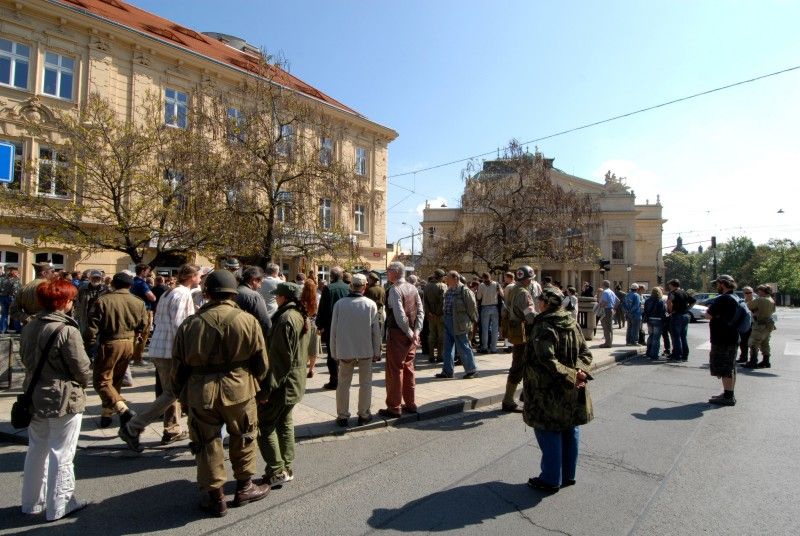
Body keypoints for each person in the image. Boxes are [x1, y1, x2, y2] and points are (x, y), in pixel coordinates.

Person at [171, 270, 271, 517]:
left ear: (206, 294)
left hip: (200, 391)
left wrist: (181, 395)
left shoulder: (189, 325)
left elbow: (179, 366)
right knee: (244, 435)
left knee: (206, 442)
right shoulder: (247, 321)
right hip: (240, 388)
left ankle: (216, 497)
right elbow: (261, 362)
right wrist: (263, 390)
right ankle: (245, 487)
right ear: (233, 294)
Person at [19, 279, 92, 520]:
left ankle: (31, 502)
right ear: (64, 302)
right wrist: (82, 382)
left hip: (34, 393)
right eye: (71, 300)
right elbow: (81, 367)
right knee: (62, 452)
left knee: (36, 449)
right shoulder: (66, 330)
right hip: (62, 395)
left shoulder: (30, 326)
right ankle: (60, 504)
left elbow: (25, 358)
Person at [119, 264, 201, 451]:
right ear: (192, 277)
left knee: (170, 392)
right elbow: (180, 325)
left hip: (160, 347)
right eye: (199, 276)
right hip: (170, 350)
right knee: (172, 392)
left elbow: (159, 319)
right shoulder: (183, 294)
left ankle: (172, 429)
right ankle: (133, 427)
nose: (200, 279)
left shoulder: (169, 292)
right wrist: (186, 352)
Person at [521, 288, 593, 492]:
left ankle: (551, 479)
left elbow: (546, 359)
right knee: (570, 427)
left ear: (546, 303)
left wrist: (572, 375)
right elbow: (585, 353)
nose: (537, 303)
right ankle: (568, 474)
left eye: (540, 300)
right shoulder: (571, 321)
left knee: (548, 428)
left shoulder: (544, 325)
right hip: (572, 388)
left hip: (548, 389)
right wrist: (579, 372)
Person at [258, 282, 309, 487]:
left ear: (284, 298)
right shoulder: (299, 315)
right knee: (284, 422)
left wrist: (267, 389)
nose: (275, 298)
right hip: (294, 381)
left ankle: (277, 470)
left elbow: (280, 360)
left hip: (283, 384)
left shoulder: (286, 319)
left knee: (265, 425)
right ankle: (286, 466)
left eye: (277, 296)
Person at [86, 272, 146, 428]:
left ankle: (123, 410)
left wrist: (90, 345)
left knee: (101, 381)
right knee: (116, 380)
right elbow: (143, 324)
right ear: (130, 285)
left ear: (113, 284)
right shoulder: (138, 302)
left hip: (110, 342)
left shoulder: (104, 300)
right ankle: (107, 413)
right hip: (129, 343)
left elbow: (92, 327)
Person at [330, 273, 382, 427]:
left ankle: (342, 416)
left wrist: (334, 352)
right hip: (365, 349)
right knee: (365, 383)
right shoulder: (370, 305)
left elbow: (333, 330)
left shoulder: (340, 304)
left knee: (343, 384)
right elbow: (376, 331)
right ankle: (364, 414)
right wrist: (377, 351)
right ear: (364, 287)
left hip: (345, 350)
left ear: (351, 286)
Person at [379, 261, 423, 419]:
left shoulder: (394, 289)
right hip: (411, 335)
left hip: (399, 333)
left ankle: (394, 406)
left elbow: (399, 315)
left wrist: (411, 332)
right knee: (409, 368)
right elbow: (420, 312)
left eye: (389, 270)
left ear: (396, 272)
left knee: (395, 370)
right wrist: (416, 331)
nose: (387, 272)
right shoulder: (413, 288)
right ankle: (410, 403)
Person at [499, 266, 538, 412]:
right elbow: (530, 316)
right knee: (519, 365)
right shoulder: (523, 293)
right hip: (524, 332)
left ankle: (523, 395)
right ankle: (508, 400)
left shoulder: (513, 289)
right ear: (527, 279)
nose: (531, 281)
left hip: (515, 329)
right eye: (531, 279)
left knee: (523, 364)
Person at [435, 270, 479, 380]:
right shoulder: (449, 290)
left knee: (463, 347)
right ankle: (447, 371)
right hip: (448, 321)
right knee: (447, 348)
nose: (446, 280)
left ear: (455, 278)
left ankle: (472, 370)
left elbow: (472, 308)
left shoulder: (465, 291)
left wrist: (471, 322)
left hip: (459, 323)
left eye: (448, 278)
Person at [704, 274, 740, 406]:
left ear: (723, 284)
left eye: (717, 284)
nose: (716, 286)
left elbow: (708, 315)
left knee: (725, 367)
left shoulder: (723, 299)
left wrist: (715, 315)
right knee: (731, 366)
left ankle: (728, 396)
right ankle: (728, 393)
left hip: (722, 338)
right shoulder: (735, 297)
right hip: (732, 336)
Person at [316, 266, 350, 390]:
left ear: (331, 276)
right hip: (346, 324)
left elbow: (322, 308)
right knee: (344, 353)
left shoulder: (328, 288)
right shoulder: (348, 288)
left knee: (332, 354)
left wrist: (319, 325)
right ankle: (344, 379)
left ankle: (334, 380)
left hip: (331, 325)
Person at [742, 284, 776, 369]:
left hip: (759, 325)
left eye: (759, 291)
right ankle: (766, 361)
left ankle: (753, 361)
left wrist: (748, 300)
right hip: (768, 325)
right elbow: (773, 311)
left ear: (763, 291)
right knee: (765, 343)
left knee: (753, 343)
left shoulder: (760, 300)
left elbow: (748, 306)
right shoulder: (771, 300)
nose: (758, 292)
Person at [11, 262, 55, 327]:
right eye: (52, 272)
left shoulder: (24, 288)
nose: (54, 274)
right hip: (47, 326)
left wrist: (27, 318)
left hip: (28, 327)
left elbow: (13, 309)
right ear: (44, 273)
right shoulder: (50, 287)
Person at [235, 266, 272, 340]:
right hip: (248, 338)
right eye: (260, 283)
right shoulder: (254, 296)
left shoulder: (234, 292)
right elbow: (265, 323)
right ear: (254, 280)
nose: (260, 286)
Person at [130, 264, 156, 366]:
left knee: (134, 334)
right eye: (147, 271)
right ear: (142, 271)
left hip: (133, 310)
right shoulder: (142, 283)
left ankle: (131, 356)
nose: (149, 273)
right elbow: (152, 297)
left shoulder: (132, 282)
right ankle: (138, 358)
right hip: (144, 310)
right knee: (143, 334)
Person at [423, 269, 447, 362]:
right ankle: (440, 356)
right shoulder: (443, 286)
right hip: (440, 315)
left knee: (432, 335)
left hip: (430, 315)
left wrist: (429, 312)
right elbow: (443, 302)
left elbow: (425, 301)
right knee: (441, 336)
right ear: (441, 277)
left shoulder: (427, 286)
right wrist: (438, 313)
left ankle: (431, 356)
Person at [666, 279, 693, 362]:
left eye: (669, 284)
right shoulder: (684, 292)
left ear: (672, 285)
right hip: (685, 315)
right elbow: (693, 301)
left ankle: (677, 355)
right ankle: (685, 355)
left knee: (676, 336)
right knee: (683, 336)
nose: (669, 286)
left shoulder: (672, 293)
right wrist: (687, 309)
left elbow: (669, 303)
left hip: (677, 315)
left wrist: (670, 311)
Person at [476, 271, 502, 354]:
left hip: (485, 307)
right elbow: (502, 294)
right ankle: (494, 348)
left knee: (485, 329)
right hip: (494, 307)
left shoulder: (481, 285)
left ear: (483, 278)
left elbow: (478, 297)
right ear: (490, 276)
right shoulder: (496, 284)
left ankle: (485, 347)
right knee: (495, 329)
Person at [301, 278, 322, 378]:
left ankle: (303, 367)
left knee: (303, 346)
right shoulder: (318, 297)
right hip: (314, 323)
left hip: (303, 323)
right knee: (313, 347)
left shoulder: (301, 297)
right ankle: (311, 369)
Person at [643, 287, 667, 359]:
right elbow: (663, 312)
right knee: (656, 338)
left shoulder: (647, 301)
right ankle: (654, 354)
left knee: (651, 336)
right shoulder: (661, 301)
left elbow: (645, 310)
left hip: (650, 320)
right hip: (658, 320)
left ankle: (648, 352)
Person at [736, 286, 754, 364]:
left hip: (754, 324)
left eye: (750, 292)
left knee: (753, 343)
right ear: (744, 293)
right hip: (745, 324)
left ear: (753, 292)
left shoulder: (756, 301)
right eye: (746, 292)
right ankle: (743, 357)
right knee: (743, 342)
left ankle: (753, 360)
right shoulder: (742, 302)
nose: (749, 294)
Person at [0, 265, 21, 333]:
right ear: (14, 271)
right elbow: (15, 290)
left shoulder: (3, 278)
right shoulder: (15, 279)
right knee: (15, 313)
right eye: (16, 271)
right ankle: (18, 329)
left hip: (3, 297)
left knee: (4, 314)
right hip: (12, 298)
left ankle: (3, 329)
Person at [597, 280, 617, 348]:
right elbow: (618, 301)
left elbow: (604, 302)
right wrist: (613, 308)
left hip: (606, 310)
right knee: (610, 327)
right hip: (610, 310)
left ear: (603, 285)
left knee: (606, 327)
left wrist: (599, 305)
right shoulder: (612, 292)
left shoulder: (605, 292)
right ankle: (609, 342)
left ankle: (607, 343)